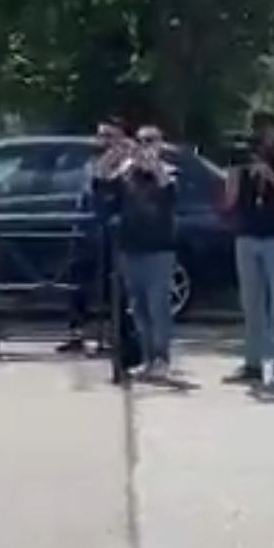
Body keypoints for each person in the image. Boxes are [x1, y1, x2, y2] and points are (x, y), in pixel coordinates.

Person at [221, 109, 274, 392]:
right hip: (247, 234)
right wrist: (233, 173)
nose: (260, 138)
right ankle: (253, 364)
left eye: (264, 131)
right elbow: (229, 200)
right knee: (251, 305)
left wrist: (268, 173)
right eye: (255, 131)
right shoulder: (244, 154)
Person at [110, 125, 181, 380]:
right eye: (141, 141)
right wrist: (118, 156)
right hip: (130, 247)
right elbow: (103, 182)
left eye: (151, 141)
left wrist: (153, 164)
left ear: (160, 144)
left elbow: (168, 190)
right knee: (138, 308)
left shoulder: (169, 171)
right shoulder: (128, 172)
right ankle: (147, 358)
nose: (145, 146)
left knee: (158, 306)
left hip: (159, 249)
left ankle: (162, 358)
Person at [59, 120, 130, 355]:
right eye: (101, 135)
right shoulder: (92, 162)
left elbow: (109, 183)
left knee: (114, 289)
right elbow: (93, 181)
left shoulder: (127, 165)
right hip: (85, 232)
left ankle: (114, 338)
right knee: (77, 286)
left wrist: (119, 155)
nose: (103, 141)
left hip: (112, 236)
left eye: (109, 136)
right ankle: (76, 334)